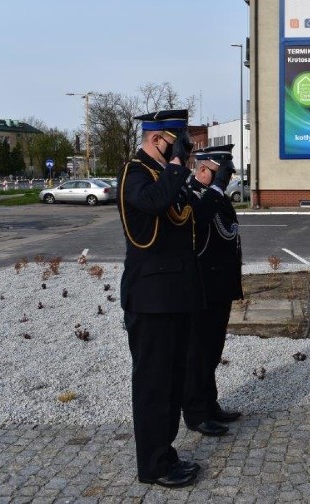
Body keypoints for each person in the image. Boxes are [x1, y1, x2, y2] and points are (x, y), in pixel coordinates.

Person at [116, 109, 200, 488]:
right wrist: (178, 165)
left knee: (171, 379)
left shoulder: (162, 174)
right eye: (175, 141)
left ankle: (164, 451)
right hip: (150, 298)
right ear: (156, 139)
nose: (179, 148)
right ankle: (152, 465)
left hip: (173, 295)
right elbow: (152, 203)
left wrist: (185, 169)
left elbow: (183, 210)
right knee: (152, 384)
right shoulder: (135, 173)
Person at [182, 145, 243, 437]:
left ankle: (210, 403)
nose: (227, 179)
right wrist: (215, 191)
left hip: (220, 288)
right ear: (204, 170)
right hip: (202, 288)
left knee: (213, 350)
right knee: (198, 353)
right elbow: (196, 226)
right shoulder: (192, 196)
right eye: (223, 173)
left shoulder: (215, 198)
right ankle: (195, 413)